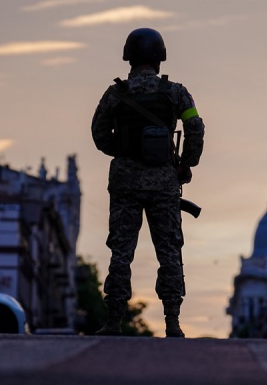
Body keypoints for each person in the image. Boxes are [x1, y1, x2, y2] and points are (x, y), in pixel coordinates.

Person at [91, 27, 205, 338]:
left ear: (129, 57)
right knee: (169, 251)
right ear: (159, 59)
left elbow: (99, 136)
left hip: (125, 183)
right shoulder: (176, 93)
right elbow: (194, 126)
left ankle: (113, 321)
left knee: (121, 252)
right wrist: (184, 165)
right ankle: (172, 322)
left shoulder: (115, 94)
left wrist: (125, 154)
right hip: (164, 183)